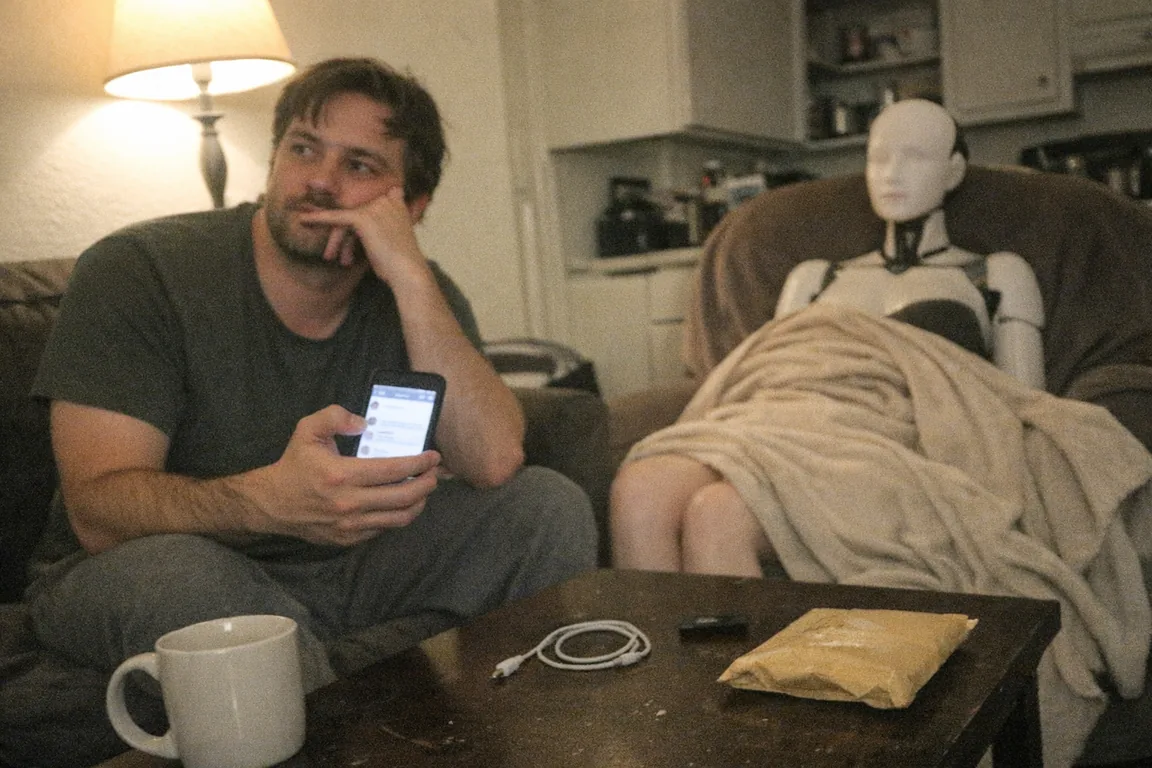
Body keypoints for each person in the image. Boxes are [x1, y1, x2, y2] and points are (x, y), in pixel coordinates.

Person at [26, 57, 597, 693]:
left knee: (544, 508)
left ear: (411, 206)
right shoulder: (139, 271)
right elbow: (97, 510)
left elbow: (492, 461)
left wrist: (411, 274)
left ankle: (524, 730)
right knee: (195, 583)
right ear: (274, 162)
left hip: (346, 563)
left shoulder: (418, 292)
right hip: (149, 564)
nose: (319, 181)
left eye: (360, 166)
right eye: (303, 149)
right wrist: (266, 501)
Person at [610, 98, 1045, 576]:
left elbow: (1024, 405)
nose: (891, 174)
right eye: (878, 158)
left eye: (915, 157)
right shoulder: (813, 277)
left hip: (892, 441)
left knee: (718, 514)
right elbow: (774, 367)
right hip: (784, 422)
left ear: (954, 171)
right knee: (639, 489)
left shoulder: (993, 274)